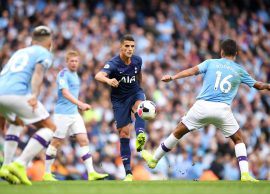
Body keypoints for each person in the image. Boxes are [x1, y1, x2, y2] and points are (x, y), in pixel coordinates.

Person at [142, 39, 269, 182]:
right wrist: (268, 86)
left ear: (221, 52)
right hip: (222, 110)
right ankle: (245, 174)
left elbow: (192, 71)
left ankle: (154, 159)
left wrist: (173, 77)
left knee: (178, 132)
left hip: (202, 106)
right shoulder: (239, 70)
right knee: (238, 139)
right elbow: (258, 85)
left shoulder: (211, 62)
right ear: (236, 54)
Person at [0, 25, 55, 185]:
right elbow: (38, 73)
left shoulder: (20, 52)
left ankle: (6, 166)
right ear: (49, 42)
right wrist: (35, 95)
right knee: (50, 128)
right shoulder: (44, 52)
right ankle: (20, 164)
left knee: (18, 122)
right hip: (17, 94)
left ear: (32, 40)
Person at [43, 50, 108, 181]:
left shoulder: (75, 75)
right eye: (71, 61)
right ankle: (46, 173)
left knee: (84, 140)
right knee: (56, 142)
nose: (74, 63)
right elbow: (65, 93)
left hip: (74, 114)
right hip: (62, 114)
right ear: (67, 62)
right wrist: (80, 104)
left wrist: (78, 106)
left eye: (76, 61)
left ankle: (91, 173)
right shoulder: (63, 74)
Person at [95, 34, 147, 181]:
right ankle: (128, 173)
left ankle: (140, 136)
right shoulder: (114, 63)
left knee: (140, 107)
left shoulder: (137, 60)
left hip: (135, 93)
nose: (130, 49)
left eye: (132, 46)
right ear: (121, 47)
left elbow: (139, 74)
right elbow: (98, 75)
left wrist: (140, 89)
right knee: (124, 134)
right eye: (127, 46)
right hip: (120, 101)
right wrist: (108, 80)